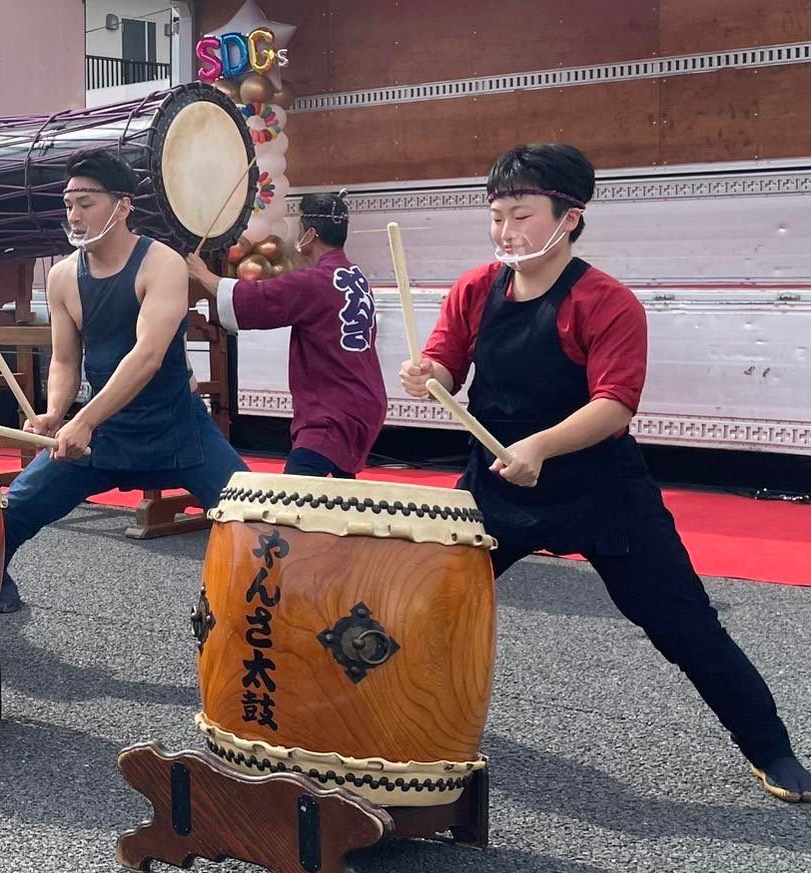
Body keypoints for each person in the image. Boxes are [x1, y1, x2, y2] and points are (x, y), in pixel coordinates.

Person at [399, 142, 809, 804]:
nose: (505, 230)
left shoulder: (605, 301)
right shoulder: (476, 289)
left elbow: (614, 405)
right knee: (426, 608)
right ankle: (407, 727)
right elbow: (445, 364)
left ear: (570, 217)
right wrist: (428, 377)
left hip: (601, 488)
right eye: (497, 215)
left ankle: (772, 750)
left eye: (521, 215)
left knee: (683, 622)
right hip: (496, 486)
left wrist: (538, 447)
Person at [0, 150, 248, 613]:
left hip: (176, 426)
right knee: (9, 514)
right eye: (69, 203)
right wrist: (55, 413)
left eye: (86, 202)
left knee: (256, 518)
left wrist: (84, 420)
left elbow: (148, 356)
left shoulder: (161, 262)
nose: (74, 214)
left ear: (123, 205)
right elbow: (66, 362)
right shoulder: (61, 276)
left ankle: (266, 613)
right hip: (106, 433)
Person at [185, 191, 385, 477]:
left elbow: (258, 297)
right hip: (363, 399)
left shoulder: (316, 282)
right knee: (341, 492)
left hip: (333, 410)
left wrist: (203, 274)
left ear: (311, 233)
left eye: (300, 227)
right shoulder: (355, 276)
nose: (296, 234)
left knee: (294, 494)